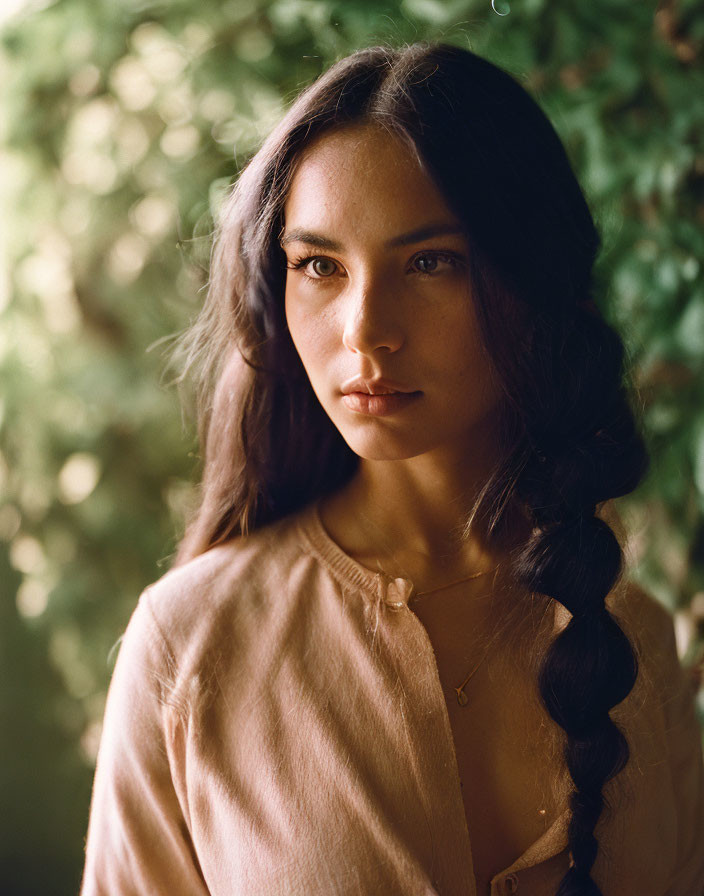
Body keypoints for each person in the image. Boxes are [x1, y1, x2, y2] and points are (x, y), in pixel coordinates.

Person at [79, 42, 704, 896]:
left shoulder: (633, 636)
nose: (364, 331)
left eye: (429, 262)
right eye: (320, 266)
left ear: (533, 279)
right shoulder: (187, 648)